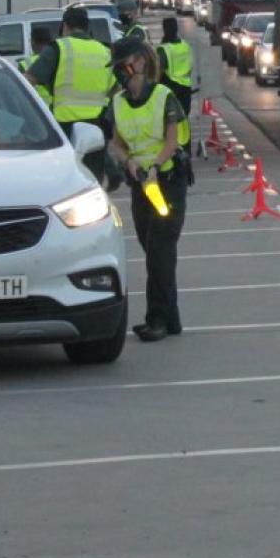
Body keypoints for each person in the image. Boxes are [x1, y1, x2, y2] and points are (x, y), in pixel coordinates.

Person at [106, 39, 190, 341]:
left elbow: (171, 141)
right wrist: (127, 162)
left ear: (140, 62)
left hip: (166, 184)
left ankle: (157, 320)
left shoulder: (164, 97)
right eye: (116, 67)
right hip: (141, 185)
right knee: (151, 247)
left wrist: (155, 164)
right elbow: (116, 142)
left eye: (124, 64)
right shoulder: (117, 102)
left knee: (159, 250)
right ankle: (172, 319)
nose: (120, 72)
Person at [26, 5, 114, 182]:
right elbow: (116, 91)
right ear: (87, 27)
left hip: (64, 128)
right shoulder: (104, 52)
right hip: (96, 128)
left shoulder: (58, 48)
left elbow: (28, 81)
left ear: (65, 26)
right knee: (92, 182)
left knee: (65, 183)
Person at [158, 16, 196, 112]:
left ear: (164, 29)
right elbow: (190, 67)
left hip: (170, 88)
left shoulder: (163, 49)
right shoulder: (185, 46)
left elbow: (158, 71)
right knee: (184, 118)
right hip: (186, 88)